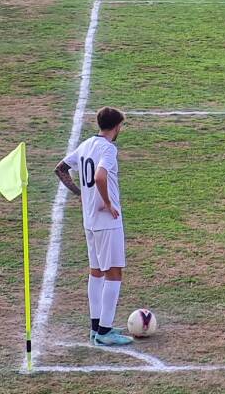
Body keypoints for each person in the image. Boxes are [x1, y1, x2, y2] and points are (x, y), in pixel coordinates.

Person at [54, 106, 133, 346]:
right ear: (117, 126)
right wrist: (108, 203)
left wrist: (81, 194)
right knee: (114, 272)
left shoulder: (87, 144)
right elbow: (100, 177)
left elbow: (61, 168)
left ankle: (96, 326)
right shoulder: (108, 149)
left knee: (96, 272)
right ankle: (105, 331)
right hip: (107, 222)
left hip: (89, 220)